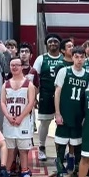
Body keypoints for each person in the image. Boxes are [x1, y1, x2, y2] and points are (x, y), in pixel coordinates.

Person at [54, 46, 89, 177]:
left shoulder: (88, 74)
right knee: (61, 146)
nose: (79, 59)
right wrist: (57, 113)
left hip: (79, 116)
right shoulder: (64, 71)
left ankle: (76, 172)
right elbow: (57, 93)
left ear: (85, 58)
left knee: (78, 146)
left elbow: (88, 98)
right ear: (72, 57)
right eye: (77, 56)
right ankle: (59, 174)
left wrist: (86, 116)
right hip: (64, 113)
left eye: (82, 57)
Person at [1, 57, 36, 177]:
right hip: (9, 121)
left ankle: (25, 172)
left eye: (17, 65)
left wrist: (21, 117)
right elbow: (3, 103)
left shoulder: (29, 84)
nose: (14, 67)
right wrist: (9, 116)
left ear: (22, 67)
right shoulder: (6, 84)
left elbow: (31, 102)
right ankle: (7, 171)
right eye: (12, 65)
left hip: (24, 121)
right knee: (9, 149)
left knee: (23, 150)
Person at [32, 33, 64, 161]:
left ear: (59, 44)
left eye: (55, 41)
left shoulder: (65, 58)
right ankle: (41, 146)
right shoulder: (41, 58)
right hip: (45, 94)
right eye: (50, 42)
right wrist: (34, 97)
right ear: (46, 44)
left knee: (62, 123)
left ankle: (61, 150)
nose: (53, 44)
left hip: (61, 95)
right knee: (45, 123)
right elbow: (34, 79)